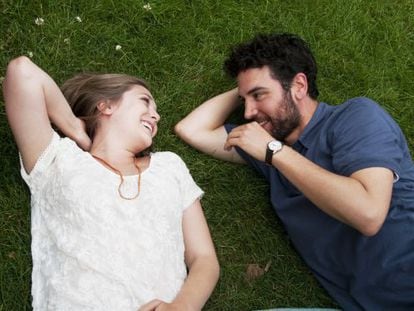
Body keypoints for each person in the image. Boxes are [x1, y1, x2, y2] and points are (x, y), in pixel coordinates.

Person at [175, 33, 414, 309]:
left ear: (299, 85)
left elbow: (369, 214)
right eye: (245, 101)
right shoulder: (270, 153)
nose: (249, 112)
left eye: (259, 95)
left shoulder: (355, 118)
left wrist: (274, 152)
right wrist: (244, 89)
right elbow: (191, 130)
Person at [3, 56, 219, 311]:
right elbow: (21, 72)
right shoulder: (58, 160)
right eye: (145, 101)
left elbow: (204, 258)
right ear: (105, 106)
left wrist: (183, 306)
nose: (156, 115)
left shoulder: (169, 167)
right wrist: (75, 129)